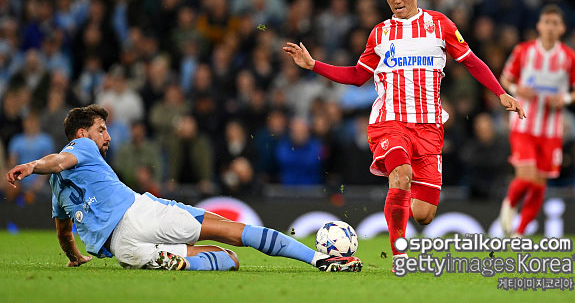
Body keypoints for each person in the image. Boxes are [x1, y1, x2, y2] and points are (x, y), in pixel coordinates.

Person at [283, 0, 525, 268]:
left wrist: (500, 93)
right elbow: (358, 76)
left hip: (429, 127)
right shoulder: (379, 34)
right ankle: (400, 255)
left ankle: (396, 209)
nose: (396, 0)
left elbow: (471, 61)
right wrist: (314, 65)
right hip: (389, 122)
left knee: (424, 214)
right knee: (400, 175)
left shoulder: (440, 25)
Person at [5, 105, 361, 272]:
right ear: (82, 134)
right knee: (235, 235)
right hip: (141, 214)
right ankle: (320, 259)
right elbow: (56, 160)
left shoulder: (57, 190)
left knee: (225, 262)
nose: (108, 136)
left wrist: (74, 257)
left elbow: (63, 231)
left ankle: (178, 261)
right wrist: (33, 164)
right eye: (101, 129)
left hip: (123, 249)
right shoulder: (78, 148)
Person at [498, 5, 575, 237]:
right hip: (524, 123)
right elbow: (505, 79)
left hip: (551, 130)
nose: (550, 27)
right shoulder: (523, 51)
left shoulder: (570, 57)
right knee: (526, 177)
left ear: (562, 28)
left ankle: (518, 233)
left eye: (555, 23)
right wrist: (518, 89)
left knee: (539, 185)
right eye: (546, 22)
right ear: (539, 25)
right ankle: (509, 203)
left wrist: (565, 98)